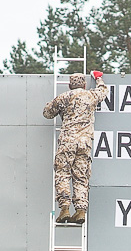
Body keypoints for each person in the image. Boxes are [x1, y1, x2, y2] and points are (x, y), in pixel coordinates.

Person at [42, 70, 108, 224]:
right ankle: (80, 211)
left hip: (68, 141)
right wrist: (98, 78)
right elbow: (103, 91)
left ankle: (64, 208)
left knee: (63, 173)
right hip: (84, 143)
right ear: (84, 84)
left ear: (70, 85)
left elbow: (47, 113)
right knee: (81, 176)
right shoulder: (91, 95)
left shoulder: (64, 97)